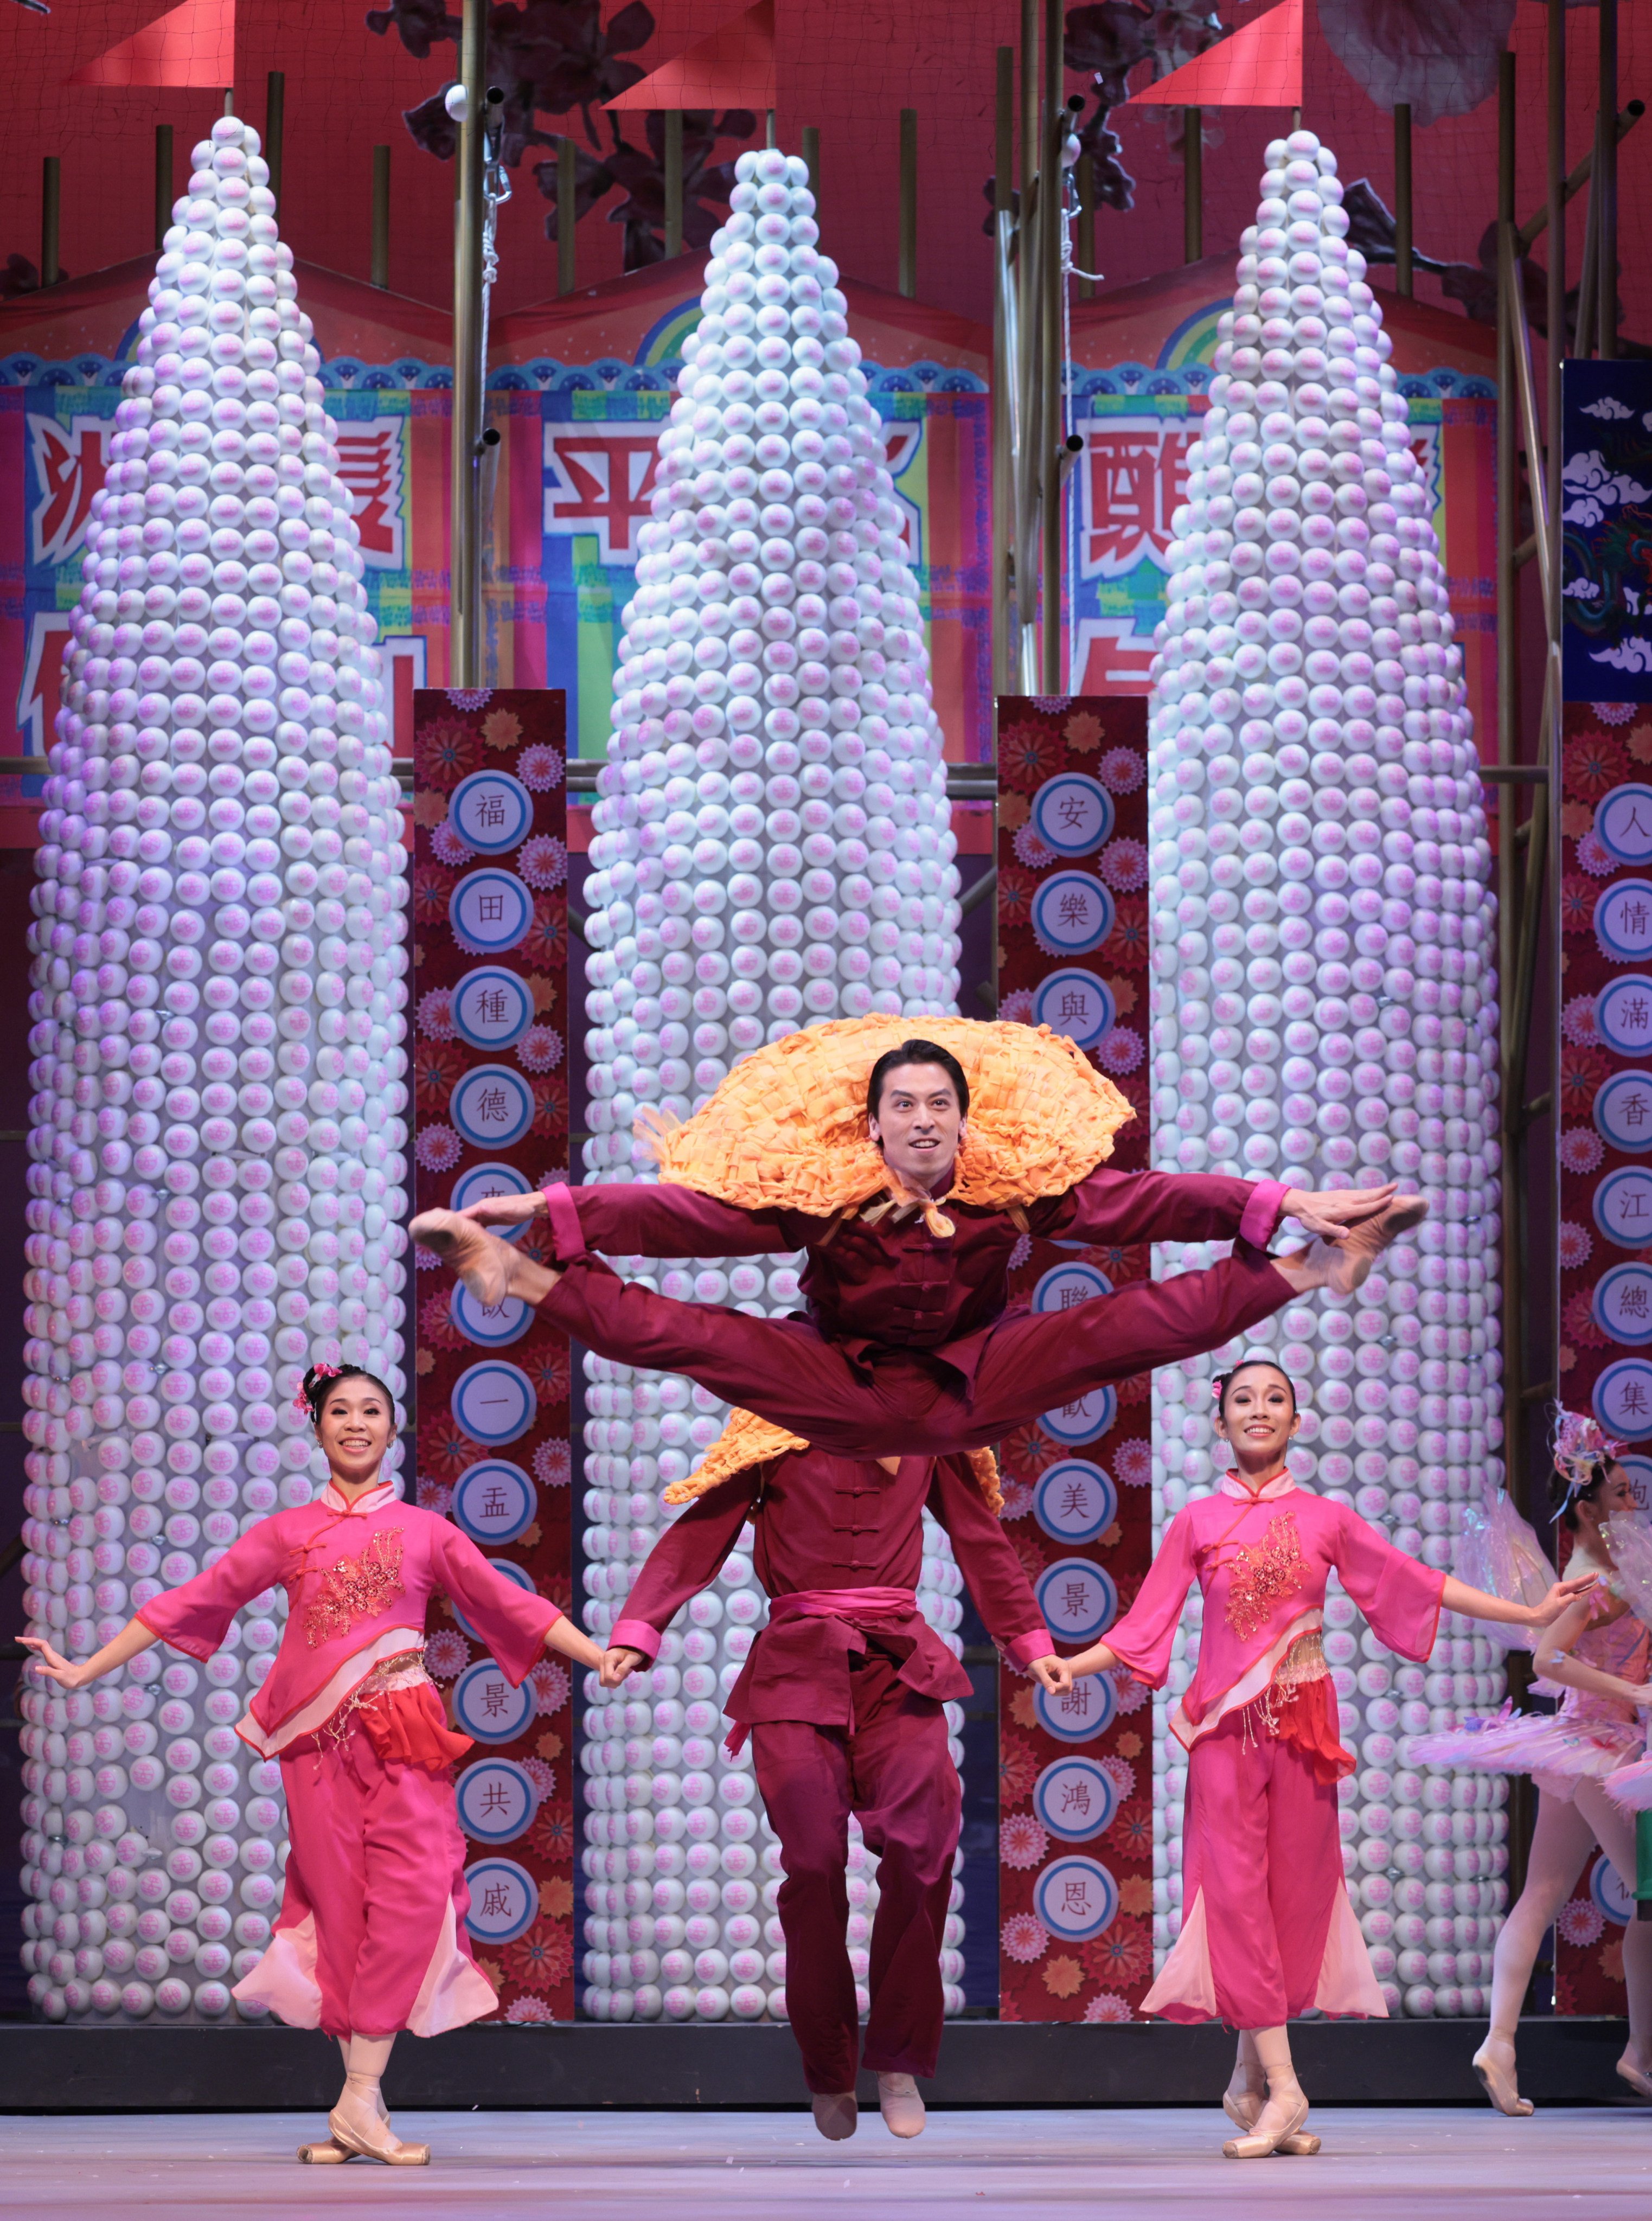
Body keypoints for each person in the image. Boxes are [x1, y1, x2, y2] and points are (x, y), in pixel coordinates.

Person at [21, 1362, 604, 2167]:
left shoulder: (427, 1531)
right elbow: (197, 1598)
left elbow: (512, 1607)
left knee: (408, 1899)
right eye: (340, 1411)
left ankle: (358, 2100)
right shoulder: (289, 1532)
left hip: (404, 1738)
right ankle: (357, 2106)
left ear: (394, 1430)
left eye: (372, 1411)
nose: (356, 1423)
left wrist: (596, 1654)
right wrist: (88, 1667)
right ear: (318, 1427)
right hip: (317, 1749)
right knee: (340, 1911)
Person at [414, 1027, 1426, 1462]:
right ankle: (518, 1277)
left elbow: (1142, 1203)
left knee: (1125, 1326)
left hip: (972, 1379)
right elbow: (696, 1219)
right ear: (875, 1126)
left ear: (962, 1120)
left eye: (941, 1105)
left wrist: (1284, 1201)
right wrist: (558, 1214)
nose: (925, 1122)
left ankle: (1318, 1269)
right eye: (904, 1107)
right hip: (842, 1382)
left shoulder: (1007, 1192)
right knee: (699, 1336)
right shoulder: (828, 1194)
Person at [1047, 1358, 1594, 2160]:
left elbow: (1416, 1581)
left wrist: (1526, 1611)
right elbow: (1142, 1626)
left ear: (1296, 1422)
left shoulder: (1326, 1519)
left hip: (1302, 1728)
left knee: (1293, 1898)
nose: (1258, 1410)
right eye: (1242, 1400)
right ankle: (1288, 2086)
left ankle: (1250, 2079)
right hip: (1226, 1736)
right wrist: (1072, 1664)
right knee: (1230, 1895)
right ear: (1220, 1421)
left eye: (1274, 1399)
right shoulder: (1195, 1522)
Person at [596, 1408, 1060, 2142]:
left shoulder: (920, 1419)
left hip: (898, 1669)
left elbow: (978, 1538)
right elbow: (701, 1532)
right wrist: (639, 1628)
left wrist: (1028, 1640)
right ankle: (830, 2065)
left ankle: (898, 2055)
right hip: (793, 1673)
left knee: (923, 1845)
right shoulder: (773, 1420)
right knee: (812, 1864)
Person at [1410, 1412, 1652, 2116]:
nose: (1634, 1503)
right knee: (1648, 1894)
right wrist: (1631, 1691)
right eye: (1623, 1495)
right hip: (1596, 1747)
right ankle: (1639, 2051)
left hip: (1577, 1750)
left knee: (1540, 1896)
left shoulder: (1613, 1572)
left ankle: (1499, 2043)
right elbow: (1547, 1657)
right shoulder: (1597, 1581)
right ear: (1588, 1508)